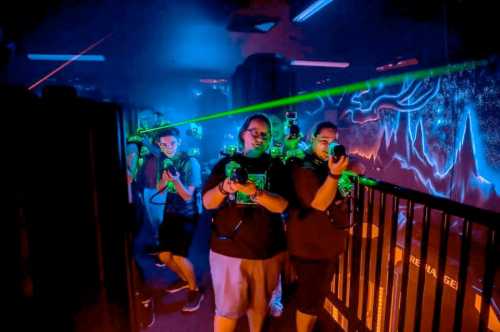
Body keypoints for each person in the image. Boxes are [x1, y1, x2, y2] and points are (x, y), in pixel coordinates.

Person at [202, 114, 289, 332]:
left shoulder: (276, 165)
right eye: (254, 132)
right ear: (243, 134)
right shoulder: (226, 164)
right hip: (229, 251)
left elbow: (281, 206)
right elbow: (207, 203)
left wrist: (255, 193)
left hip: (266, 251)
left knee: (259, 308)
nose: (259, 138)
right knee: (226, 311)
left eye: (265, 134)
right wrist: (225, 188)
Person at [287, 121, 351, 332]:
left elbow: (359, 168)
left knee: (314, 297)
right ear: (311, 139)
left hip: (324, 247)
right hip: (311, 249)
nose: (329, 147)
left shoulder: (326, 164)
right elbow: (319, 203)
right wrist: (334, 175)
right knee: (309, 300)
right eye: (323, 141)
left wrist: (340, 172)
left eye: (333, 143)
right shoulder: (303, 166)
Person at [154, 127, 204, 312]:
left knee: (178, 255)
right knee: (163, 255)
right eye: (164, 144)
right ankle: (185, 279)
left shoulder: (191, 162)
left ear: (179, 142)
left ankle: (195, 289)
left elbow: (187, 196)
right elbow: (159, 189)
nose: (169, 147)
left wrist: (175, 181)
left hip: (187, 213)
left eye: (173, 143)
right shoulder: (163, 161)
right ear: (159, 145)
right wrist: (165, 181)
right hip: (170, 211)